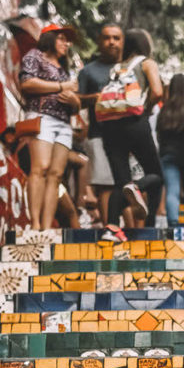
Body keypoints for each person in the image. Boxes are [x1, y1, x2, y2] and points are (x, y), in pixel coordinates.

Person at [99, 28, 164, 235]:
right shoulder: (147, 63)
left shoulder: (117, 68)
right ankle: (150, 222)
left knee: (120, 181)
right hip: (135, 122)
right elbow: (157, 91)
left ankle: (112, 228)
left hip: (109, 126)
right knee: (156, 174)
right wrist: (146, 109)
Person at [18, 24, 80, 230]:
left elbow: (76, 103)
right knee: (40, 168)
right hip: (42, 117)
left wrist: (74, 101)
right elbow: (26, 83)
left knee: (56, 175)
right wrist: (61, 87)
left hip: (64, 123)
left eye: (68, 41)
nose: (66, 44)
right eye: (62, 39)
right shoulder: (34, 56)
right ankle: (34, 224)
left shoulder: (65, 69)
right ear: (50, 38)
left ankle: (46, 226)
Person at [77, 23, 124, 226]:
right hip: (99, 134)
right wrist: (95, 98)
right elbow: (77, 101)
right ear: (100, 42)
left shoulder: (129, 69)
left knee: (129, 185)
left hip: (129, 135)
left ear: (122, 42)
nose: (111, 42)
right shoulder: (88, 72)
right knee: (106, 185)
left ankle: (134, 234)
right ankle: (109, 228)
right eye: (107, 37)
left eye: (116, 37)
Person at [157, 74, 184, 226]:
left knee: (172, 190)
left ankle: (173, 223)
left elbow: (159, 134)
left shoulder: (165, 108)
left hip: (168, 155)